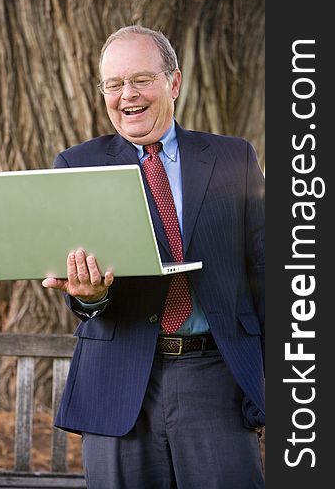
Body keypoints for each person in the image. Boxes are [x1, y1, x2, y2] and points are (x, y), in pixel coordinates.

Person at [42, 25, 265, 488]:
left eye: (142, 79)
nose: (128, 95)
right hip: (117, 380)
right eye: (114, 84)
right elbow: (77, 292)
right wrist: (88, 296)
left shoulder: (232, 159)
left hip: (217, 377)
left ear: (174, 83)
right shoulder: (76, 165)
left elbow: (267, 272)